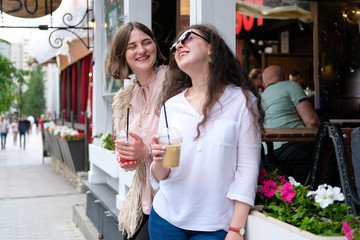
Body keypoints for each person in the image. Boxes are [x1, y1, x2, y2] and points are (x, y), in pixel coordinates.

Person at [149, 24, 263, 240]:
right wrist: (157, 159)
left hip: (216, 224)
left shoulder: (242, 101)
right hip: (166, 218)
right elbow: (160, 174)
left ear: (212, 49)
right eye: (176, 44)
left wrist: (236, 229)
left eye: (188, 38)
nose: (180, 44)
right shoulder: (170, 106)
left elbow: (248, 168)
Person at [108, 22, 167, 240]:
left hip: (171, 194)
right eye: (132, 46)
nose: (141, 50)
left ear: (154, 46)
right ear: (122, 55)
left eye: (146, 42)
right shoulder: (124, 98)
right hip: (143, 196)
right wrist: (125, 157)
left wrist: (147, 152)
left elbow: (188, 142)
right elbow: (123, 141)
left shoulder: (174, 85)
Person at [261, 65, 320, 183]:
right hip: (296, 151)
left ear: (263, 84)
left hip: (269, 158)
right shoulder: (290, 85)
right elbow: (312, 121)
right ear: (284, 78)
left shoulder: (259, 97)